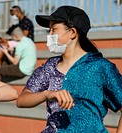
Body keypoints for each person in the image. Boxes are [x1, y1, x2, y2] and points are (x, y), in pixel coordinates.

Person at [16, 5, 122, 133]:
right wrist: (47, 94)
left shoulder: (101, 67)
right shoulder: (50, 67)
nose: (49, 35)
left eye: (54, 29)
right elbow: (21, 100)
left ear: (72, 32)